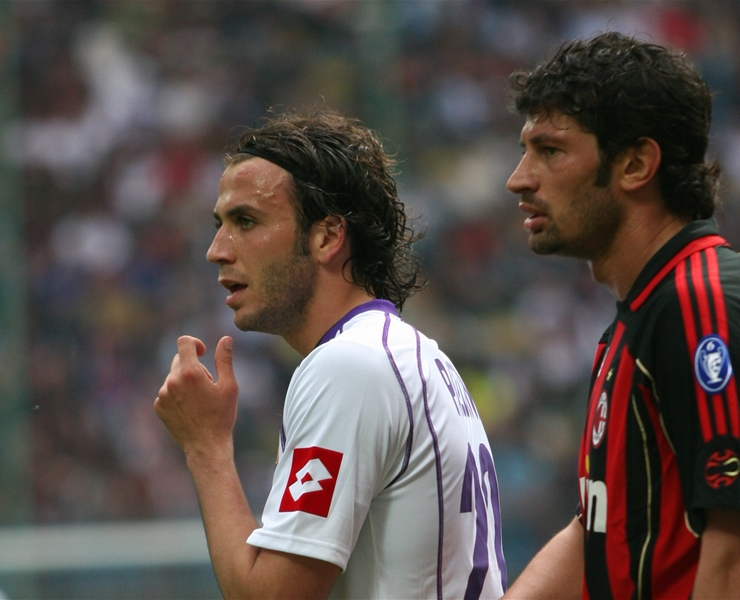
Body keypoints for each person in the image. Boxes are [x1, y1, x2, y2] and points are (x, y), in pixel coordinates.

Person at [503, 32, 740, 599]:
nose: (519, 178)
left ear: (635, 164)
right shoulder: (642, 316)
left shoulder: (704, 308)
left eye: (550, 151)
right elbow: (594, 531)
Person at [154, 108, 506, 599]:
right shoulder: (415, 357)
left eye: (246, 221)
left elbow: (271, 597)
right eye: (220, 224)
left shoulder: (349, 367)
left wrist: (206, 447)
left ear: (326, 237)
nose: (217, 249)